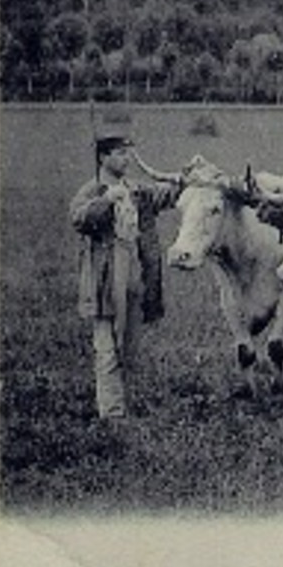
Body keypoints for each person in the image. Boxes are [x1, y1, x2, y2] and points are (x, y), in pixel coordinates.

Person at [68, 124, 180, 420]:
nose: (126, 159)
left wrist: (184, 181)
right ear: (103, 158)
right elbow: (78, 218)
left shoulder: (136, 189)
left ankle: (123, 404)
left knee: (129, 347)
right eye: (119, 154)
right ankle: (112, 413)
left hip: (135, 274)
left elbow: (164, 196)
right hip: (105, 279)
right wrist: (106, 200)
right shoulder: (92, 189)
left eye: (127, 153)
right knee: (107, 348)